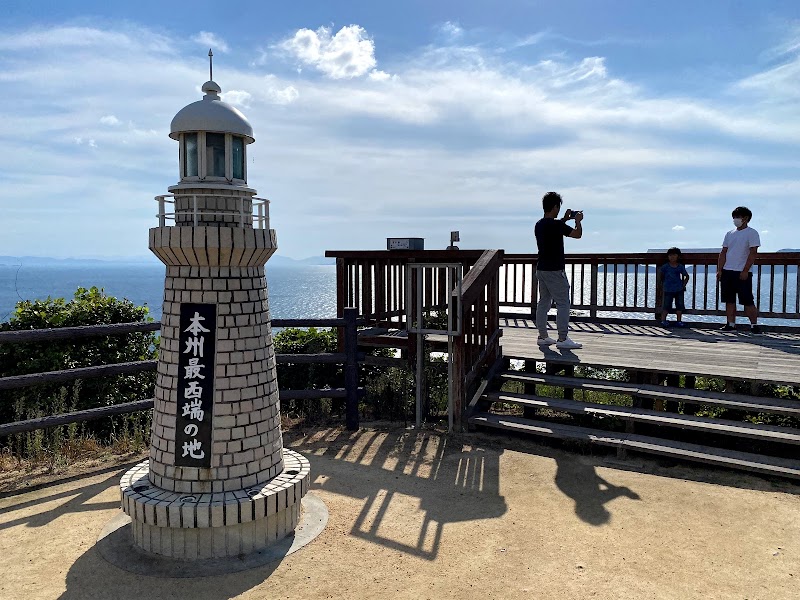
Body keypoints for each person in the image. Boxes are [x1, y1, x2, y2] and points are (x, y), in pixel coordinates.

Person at [534, 191, 583, 349]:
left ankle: (543, 336)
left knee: (544, 302)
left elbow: (554, 227)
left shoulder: (539, 225)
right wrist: (578, 221)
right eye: (558, 207)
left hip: (541, 269)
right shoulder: (556, 226)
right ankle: (562, 338)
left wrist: (565, 219)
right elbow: (577, 234)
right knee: (563, 303)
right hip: (555, 270)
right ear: (555, 207)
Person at [717, 206, 761, 333]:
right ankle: (730, 324)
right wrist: (720, 270)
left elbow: (753, 252)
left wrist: (745, 270)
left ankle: (754, 325)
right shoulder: (729, 234)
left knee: (747, 300)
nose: (735, 219)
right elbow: (723, 252)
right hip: (727, 271)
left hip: (742, 272)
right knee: (729, 300)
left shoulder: (752, 233)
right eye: (734, 217)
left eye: (738, 217)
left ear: (746, 218)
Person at [659, 247, 690, 327]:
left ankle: (679, 321)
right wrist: (663, 284)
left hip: (679, 289)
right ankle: (663, 320)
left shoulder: (680, 266)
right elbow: (661, 276)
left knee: (679, 306)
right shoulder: (665, 267)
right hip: (668, 289)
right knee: (666, 306)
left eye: (674, 255)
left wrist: (683, 285)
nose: (672, 257)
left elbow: (687, 276)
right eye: (670, 255)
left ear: (678, 256)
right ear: (668, 256)